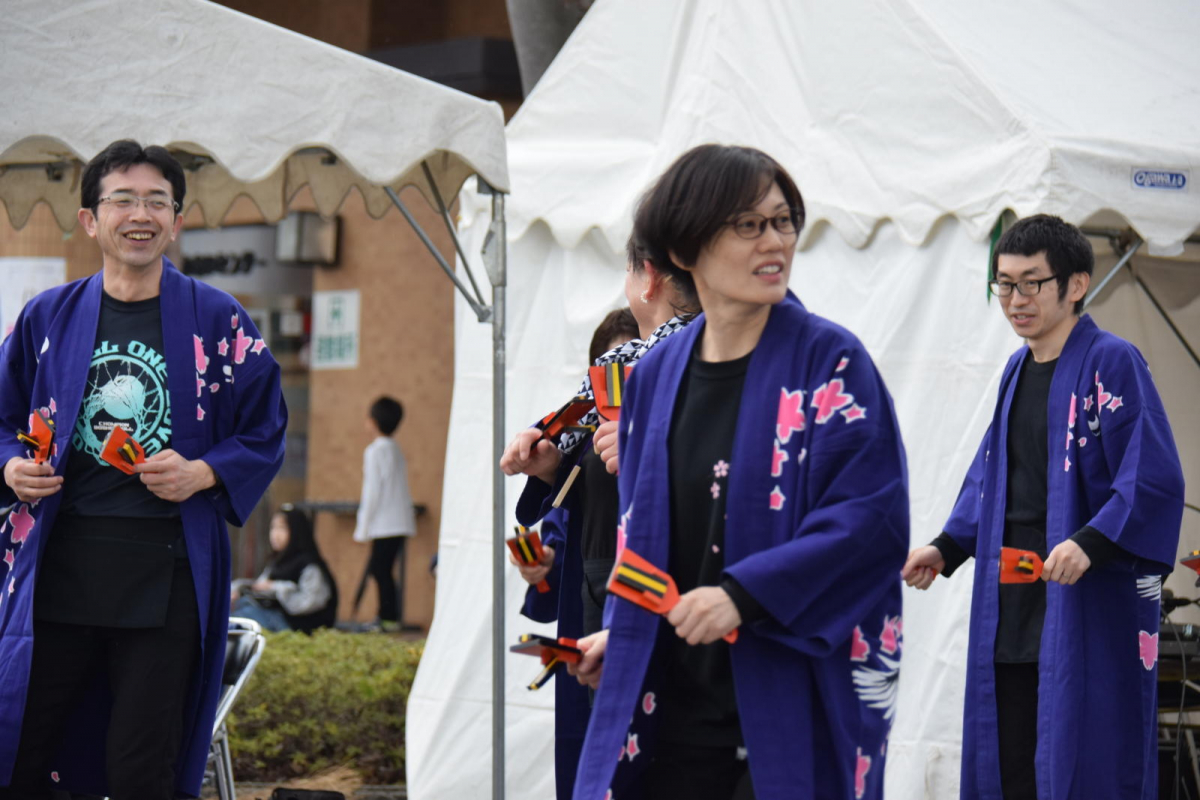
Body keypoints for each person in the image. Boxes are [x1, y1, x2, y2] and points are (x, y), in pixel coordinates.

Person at [569, 144, 909, 800]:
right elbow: (646, 543)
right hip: (674, 711)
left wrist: (742, 595)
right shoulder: (654, 380)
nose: (773, 242)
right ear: (686, 248)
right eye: (747, 226)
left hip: (785, 697)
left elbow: (870, 520)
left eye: (782, 221)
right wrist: (628, 633)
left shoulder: (832, 364)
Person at [0, 140, 287, 799]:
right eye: (122, 199)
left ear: (178, 221)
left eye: (158, 201)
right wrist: (13, 465)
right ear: (89, 220)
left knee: (142, 766)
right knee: (21, 747)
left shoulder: (218, 318)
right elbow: (2, 420)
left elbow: (265, 424)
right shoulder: (48, 316)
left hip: (168, 572)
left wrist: (205, 472)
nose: (141, 214)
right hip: (59, 565)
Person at [901, 214, 1184, 799]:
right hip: (1011, 606)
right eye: (1003, 284)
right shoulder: (1015, 369)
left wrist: (1090, 541)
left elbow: (1152, 474)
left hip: (1084, 605)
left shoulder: (1114, 361)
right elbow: (994, 477)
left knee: (1086, 758)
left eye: (1030, 282)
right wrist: (947, 546)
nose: (1014, 299)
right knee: (1012, 764)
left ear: (1075, 284)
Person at [512, 307, 641, 800]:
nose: (619, 380)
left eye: (629, 367)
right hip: (588, 611)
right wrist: (539, 571)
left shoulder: (668, 436)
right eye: (607, 370)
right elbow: (551, 581)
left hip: (641, 597)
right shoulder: (579, 447)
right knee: (590, 745)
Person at [353, 396, 417, 632]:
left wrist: (362, 528)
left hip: (384, 523)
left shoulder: (374, 451)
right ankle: (389, 617)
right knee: (384, 570)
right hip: (398, 521)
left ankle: (387, 618)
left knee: (380, 570)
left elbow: (371, 491)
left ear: (373, 421)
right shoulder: (394, 449)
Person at [232, 506, 337, 634]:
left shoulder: (309, 565)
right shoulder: (278, 561)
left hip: (298, 627)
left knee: (244, 617)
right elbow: (260, 587)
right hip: (277, 619)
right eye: (273, 527)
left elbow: (309, 603)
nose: (276, 534)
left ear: (297, 530)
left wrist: (277, 587)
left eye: (282, 528)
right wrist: (242, 590)